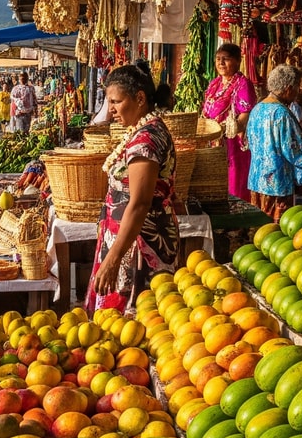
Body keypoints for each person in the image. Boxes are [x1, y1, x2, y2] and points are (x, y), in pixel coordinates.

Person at [86, 64, 180, 315]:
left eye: (116, 101)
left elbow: (139, 203)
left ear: (139, 98)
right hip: (130, 240)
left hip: (139, 246)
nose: (112, 110)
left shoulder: (146, 141)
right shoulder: (143, 131)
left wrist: (113, 259)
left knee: (133, 326)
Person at [246, 65, 302, 221]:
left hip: (257, 182)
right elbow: (295, 152)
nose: (298, 93)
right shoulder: (281, 113)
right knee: (276, 234)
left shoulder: (257, 109)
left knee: (260, 230)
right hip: (278, 185)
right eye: (297, 88)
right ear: (289, 88)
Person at [203, 43, 256, 204]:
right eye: (218, 59)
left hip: (232, 141)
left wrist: (230, 128)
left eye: (226, 59)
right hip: (213, 140)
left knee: (234, 181)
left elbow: (246, 112)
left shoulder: (243, 84)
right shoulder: (214, 84)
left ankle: (238, 221)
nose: (221, 63)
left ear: (238, 61)